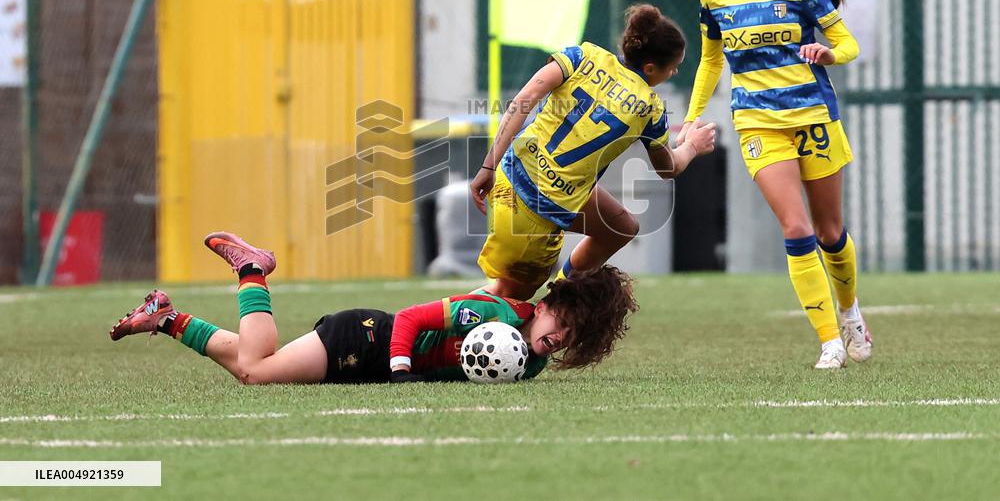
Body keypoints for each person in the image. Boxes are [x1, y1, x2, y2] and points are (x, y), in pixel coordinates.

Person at [675, 0, 871, 369]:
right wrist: (690, 117)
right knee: (796, 228)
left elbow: (848, 44)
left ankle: (849, 312)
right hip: (758, 122)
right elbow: (710, 60)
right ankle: (829, 342)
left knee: (829, 232)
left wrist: (828, 55)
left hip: (813, 117)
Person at [109, 232, 638, 383]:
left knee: (252, 363)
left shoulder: (535, 359)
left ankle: (166, 316)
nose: (560, 338)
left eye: (573, 336)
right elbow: (409, 320)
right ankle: (251, 270)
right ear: (546, 304)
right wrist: (402, 368)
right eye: (561, 322)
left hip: (372, 360)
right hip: (364, 339)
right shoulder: (493, 315)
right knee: (255, 370)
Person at [471, 4, 717, 301]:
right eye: (673, 66)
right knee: (508, 298)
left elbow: (523, 100)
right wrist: (691, 145)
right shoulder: (649, 108)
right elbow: (668, 168)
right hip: (535, 208)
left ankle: (560, 298)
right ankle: (418, 326)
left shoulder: (582, 55)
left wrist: (488, 166)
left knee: (621, 227)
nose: (675, 71)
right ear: (651, 68)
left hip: (513, 173)